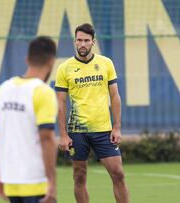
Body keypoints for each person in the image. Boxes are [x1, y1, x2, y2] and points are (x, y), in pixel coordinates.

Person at [55, 23, 129, 203]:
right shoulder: (64, 68)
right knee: (79, 177)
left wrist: (117, 127)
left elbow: (115, 96)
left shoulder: (106, 63)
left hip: (103, 130)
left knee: (118, 174)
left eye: (86, 40)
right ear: (74, 41)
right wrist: (63, 134)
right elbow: (60, 102)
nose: (82, 44)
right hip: (77, 131)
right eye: (79, 40)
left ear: (93, 42)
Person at [0, 36, 58, 203]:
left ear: (27, 59)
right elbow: (47, 138)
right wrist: (52, 182)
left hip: (11, 182)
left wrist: (0, 175)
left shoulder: (4, 88)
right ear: (51, 61)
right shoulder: (43, 91)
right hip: (36, 182)